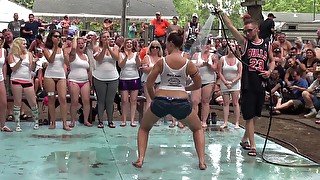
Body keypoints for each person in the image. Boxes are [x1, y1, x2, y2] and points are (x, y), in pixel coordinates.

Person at [132, 31, 206, 170]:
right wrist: (185, 87)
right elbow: (198, 84)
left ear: (171, 44)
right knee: (197, 129)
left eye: (167, 43)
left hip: (161, 99)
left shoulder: (162, 61)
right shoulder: (188, 63)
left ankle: (140, 159)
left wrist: (154, 98)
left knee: (144, 128)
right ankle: (201, 162)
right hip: (180, 101)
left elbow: (149, 83)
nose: (165, 46)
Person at [216, 11, 275, 156]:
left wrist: (269, 71)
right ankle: (253, 146)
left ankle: (244, 139)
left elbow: (272, 60)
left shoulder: (267, 45)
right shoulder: (245, 43)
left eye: (250, 30)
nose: (247, 33)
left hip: (261, 83)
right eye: (245, 31)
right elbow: (230, 27)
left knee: (256, 115)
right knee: (248, 116)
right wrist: (222, 14)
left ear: (257, 30)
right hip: (249, 83)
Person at [8, 38, 40, 131]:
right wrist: (20, 61)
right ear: (18, 45)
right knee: (17, 102)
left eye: (26, 43)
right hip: (16, 79)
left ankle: (36, 122)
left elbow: (31, 69)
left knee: (33, 102)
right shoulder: (11, 55)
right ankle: (17, 124)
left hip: (27, 79)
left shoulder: (29, 54)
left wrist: (34, 62)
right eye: (23, 44)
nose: (25, 45)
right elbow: (13, 69)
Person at [43, 30, 71, 131]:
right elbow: (50, 60)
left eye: (59, 36)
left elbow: (68, 63)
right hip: (49, 75)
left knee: (63, 98)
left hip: (61, 75)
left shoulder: (63, 49)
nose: (58, 38)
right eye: (55, 36)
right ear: (51, 37)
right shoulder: (46, 49)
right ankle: (53, 122)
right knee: (51, 98)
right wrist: (55, 48)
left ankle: (64, 123)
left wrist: (64, 51)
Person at [93, 31, 119, 128]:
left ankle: (110, 120)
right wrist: (104, 48)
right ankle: (100, 121)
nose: (106, 39)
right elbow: (99, 59)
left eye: (108, 37)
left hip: (113, 77)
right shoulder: (96, 48)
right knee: (101, 100)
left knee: (110, 100)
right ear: (101, 39)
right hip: (99, 77)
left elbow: (116, 58)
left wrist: (109, 48)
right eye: (104, 37)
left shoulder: (115, 47)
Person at [191, 40, 218, 128]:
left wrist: (209, 65)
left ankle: (204, 121)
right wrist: (202, 64)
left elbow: (215, 68)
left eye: (208, 45)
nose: (206, 46)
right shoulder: (196, 55)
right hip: (197, 80)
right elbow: (192, 66)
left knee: (205, 101)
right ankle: (195, 120)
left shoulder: (213, 56)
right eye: (204, 44)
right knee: (195, 101)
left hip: (209, 80)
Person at [67, 37, 92, 128]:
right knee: (75, 101)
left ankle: (85, 120)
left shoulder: (86, 56)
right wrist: (75, 37)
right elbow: (73, 49)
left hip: (85, 81)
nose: (81, 45)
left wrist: (90, 81)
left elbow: (88, 70)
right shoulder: (73, 55)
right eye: (79, 43)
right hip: (74, 80)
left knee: (86, 101)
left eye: (82, 43)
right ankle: (72, 121)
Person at [218, 41, 242, 129]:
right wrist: (225, 82)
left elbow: (239, 74)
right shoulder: (222, 59)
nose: (230, 47)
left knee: (235, 103)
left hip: (235, 84)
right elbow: (220, 72)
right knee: (225, 103)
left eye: (232, 45)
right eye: (229, 46)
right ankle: (225, 122)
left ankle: (237, 122)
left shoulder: (238, 60)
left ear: (235, 48)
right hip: (225, 83)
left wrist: (232, 82)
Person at [118, 38, 141, 127]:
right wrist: (126, 57)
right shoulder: (121, 54)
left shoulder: (135, 54)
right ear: (124, 45)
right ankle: (123, 120)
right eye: (127, 43)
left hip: (134, 77)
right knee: (124, 100)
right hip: (124, 78)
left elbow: (138, 66)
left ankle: (132, 120)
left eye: (130, 43)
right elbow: (121, 65)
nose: (129, 44)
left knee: (134, 100)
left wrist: (137, 57)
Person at [140, 40, 163, 113]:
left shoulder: (162, 58)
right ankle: (147, 119)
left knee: (157, 100)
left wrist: (152, 69)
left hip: (159, 81)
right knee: (149, 100)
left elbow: (163, 70)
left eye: (157, 47)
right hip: (148, 81)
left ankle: (155, 118)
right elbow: (144, 70)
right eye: (153, 47)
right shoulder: (147, 57)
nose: (155, 49)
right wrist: (157, 68)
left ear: (159, 49)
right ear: (150, 48)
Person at [0, 33, 12, 132]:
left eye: (1, 38)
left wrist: (4, 77)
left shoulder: (3, 51)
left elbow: (4, 64)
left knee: (4, 102)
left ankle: (3, 125)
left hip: (0, 78)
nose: (0, 39)